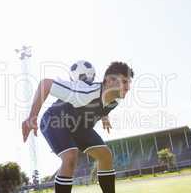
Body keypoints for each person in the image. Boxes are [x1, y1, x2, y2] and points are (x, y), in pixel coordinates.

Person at [22, 61, 134, 193]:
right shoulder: (84, 92)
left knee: (105, 155)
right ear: (109, 80)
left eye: (129, 83)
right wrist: (32, 117)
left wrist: (104, 117)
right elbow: (45, 84)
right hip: (55, 120)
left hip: (80, 126)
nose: (128, 87)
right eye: (125, 82)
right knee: (70, 156)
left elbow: (103, 105)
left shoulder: (116, 100)